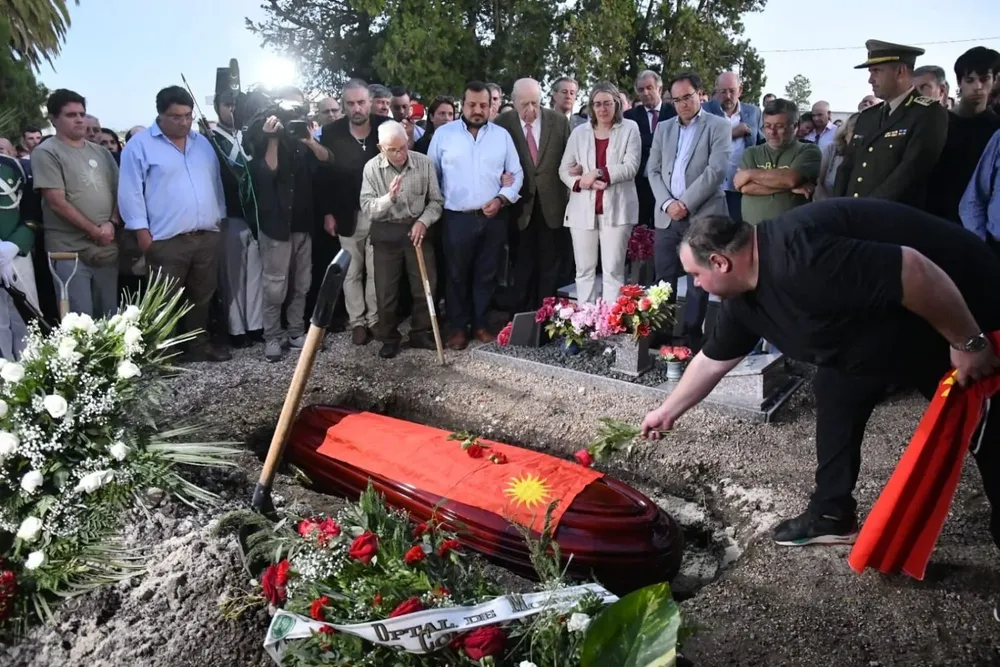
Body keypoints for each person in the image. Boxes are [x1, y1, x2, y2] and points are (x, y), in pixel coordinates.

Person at [640, 199, 1000, 564]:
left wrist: (968, 341)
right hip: (873, 331)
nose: (697, 286)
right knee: (834, 389)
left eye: (696, 275)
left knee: (989, 433)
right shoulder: (743, 299)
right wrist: (667, 411)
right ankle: (832, 515)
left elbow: (915, 270)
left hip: (960, 308)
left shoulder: (801, 256)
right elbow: (712, 362)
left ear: (720, 261)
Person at [118, 85, 231, 362]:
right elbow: (130, 192)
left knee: (202, 296)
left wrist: (221, 218)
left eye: (188, 116)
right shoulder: (140, 146)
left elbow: (214, 182)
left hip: (206, 234)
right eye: (176, 117)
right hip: (166, 239)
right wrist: (142, 234)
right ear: (160, 115)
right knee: (164, 300)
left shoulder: (202, 143)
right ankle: (164, 353)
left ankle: (198, 346)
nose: (184, 122)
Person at [428, 81, 523, 350]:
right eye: (472, 105)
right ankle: (458, 328)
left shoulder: (501, 136)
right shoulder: (444, 135)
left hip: (493, 217)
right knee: (456, 275)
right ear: (462, 105)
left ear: (491, 106)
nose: (478, 110)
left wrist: (502, 198)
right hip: (456, 217)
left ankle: (480, 324)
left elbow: (515, 174)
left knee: (487, 273)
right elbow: (431, 175)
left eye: (484, 105)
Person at [647, 72, 730, 350]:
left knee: (698, 280)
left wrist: (686, 203)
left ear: (700, 95)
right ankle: (660, 334)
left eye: (688, 97)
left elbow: (716, 171)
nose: (683, 104)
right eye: (677, 99)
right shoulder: (664, 127)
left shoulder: (718, 126)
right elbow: (653, 170)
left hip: (702, 215)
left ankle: (691, 337)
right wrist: (668, 203)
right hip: (667, 215)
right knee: (664, 278)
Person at [250, 87, 333, 362]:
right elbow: (267, 171)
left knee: (302, 283)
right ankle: (272, 336)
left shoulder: (304, 137)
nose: (294, 114)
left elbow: (327, 160)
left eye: (299, 109)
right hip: (277, 225)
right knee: (274, 286)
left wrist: (309, 140)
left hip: (303, 225)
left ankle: (297, 330)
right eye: (290, 109)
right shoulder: (266, 135)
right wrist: (273, 137)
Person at [32, 89, 121, 319]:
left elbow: (119, 191)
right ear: (53, 119)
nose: (80, 119)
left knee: (110, 318)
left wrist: (111, 223)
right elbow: (56, 202)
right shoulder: (47, 152)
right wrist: (95, 231)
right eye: (71, 115)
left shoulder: (101, 153)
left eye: (82, 113)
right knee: (80, 322)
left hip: (105, 247)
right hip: (69, 251)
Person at [359, 121, 444, 358]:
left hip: (418, 229)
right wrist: (388, 198)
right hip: (386, 231)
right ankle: (389, 337)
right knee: (386, 291)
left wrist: (423, 222)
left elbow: (436, 201)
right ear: (380, 147)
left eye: (403, 147)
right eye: (393, 150)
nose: (400, 154)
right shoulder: (371, 168)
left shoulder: (424, 163)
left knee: (425, 286)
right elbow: (367, 208)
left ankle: (420, 332)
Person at [834, 40, 949, 208]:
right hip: (853, 216)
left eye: (876, 71)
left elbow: (910, 173)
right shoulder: (868, 116)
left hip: (892, 219)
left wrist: (866, 210)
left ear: (900, 71)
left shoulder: (928, 113)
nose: (870, 80)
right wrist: (836, 207)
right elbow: (847, 167)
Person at [558, 81, 641, 303]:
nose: (602, 109)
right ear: (591, 107)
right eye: (597, 104)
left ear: (616, 104)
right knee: (584, 270)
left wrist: (597, 173)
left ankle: (610, 324)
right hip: (582, 209)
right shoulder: (579, 133)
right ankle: (585, 321)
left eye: (607, 103)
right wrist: (580, 183)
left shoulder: (630, 128)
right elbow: (564, 170)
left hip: (618, 209)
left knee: (613, 271)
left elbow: (631, 166)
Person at [494, 78, 571, 313]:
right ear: (514, 101)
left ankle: (546, 314)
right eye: (525, 104)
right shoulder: (502, 123)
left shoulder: (558, 122)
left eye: (535, 103)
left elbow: (569, 158)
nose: (531, 110)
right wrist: (499, 177)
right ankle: (522, 316)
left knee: (550, 263)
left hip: (552, 204)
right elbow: (493, 159)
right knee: (522, 263)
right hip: (520, 205)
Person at [734, 98, 822, 225]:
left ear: (795, 126)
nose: (772, 132)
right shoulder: (751, 152)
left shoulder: (808, 151)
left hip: (792, 232)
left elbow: (790, 179)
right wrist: (791, 188)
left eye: (779, 126)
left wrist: (749, 174)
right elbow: (745, 188)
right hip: (754, 232)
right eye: (768, 126)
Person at [0, 151, 39, 359]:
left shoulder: (14, 166)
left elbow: (32, 212)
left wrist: (15, 245)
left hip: (17, 256)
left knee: (28, 324)